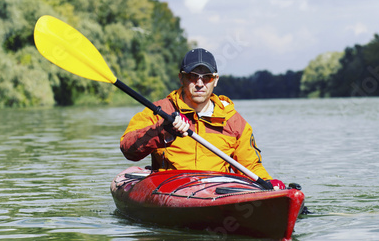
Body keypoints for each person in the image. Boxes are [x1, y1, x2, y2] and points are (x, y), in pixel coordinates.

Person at [120, 48, 286, 190]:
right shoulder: (159, 111)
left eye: (206, 77)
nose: (200, 83)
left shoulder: (233, 121)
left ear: (215, 80)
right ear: (181, 78)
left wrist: (270, 184)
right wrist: (163, 131)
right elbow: (128, 148)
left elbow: (250, 166)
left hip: (216, 191)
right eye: (193, 76)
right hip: (169, 188)